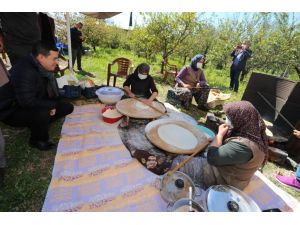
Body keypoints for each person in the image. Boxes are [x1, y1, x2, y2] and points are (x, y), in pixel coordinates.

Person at [171, 101, 268, 190]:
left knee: (178, 161)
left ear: (240, 119)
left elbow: (212, 158)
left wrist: (219, 136)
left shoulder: (244, 147)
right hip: (233, 172)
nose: (226, 120)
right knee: (200, 150)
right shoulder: (253, 132)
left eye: (229, 118)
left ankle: (198, 184)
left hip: (225, 180)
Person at [0, 41, 74, 151]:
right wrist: (50, 105)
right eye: (54, 59)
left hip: (27, 101)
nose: (56, 62)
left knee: (67, 107)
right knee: (43, 111)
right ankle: (37, 140)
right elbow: (26, 101)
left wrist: (53, 103)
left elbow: (40, 92)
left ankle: (36, 123)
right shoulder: (25, 71)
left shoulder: (38, 65)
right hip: (11, 110)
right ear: (41, 57)